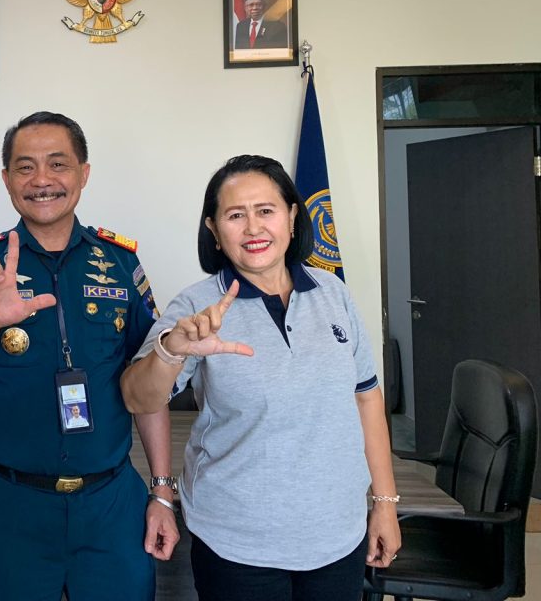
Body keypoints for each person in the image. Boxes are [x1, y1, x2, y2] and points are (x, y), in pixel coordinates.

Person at [0, 111, 180, 601]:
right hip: (9, 504)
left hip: (110, 502)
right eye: (25, 167)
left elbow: (148, 385)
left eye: (58, 164)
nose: (42, 180)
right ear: (6, 179)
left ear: (83, 173)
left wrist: (161, 489)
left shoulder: (120, 262)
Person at [120, 154, 401, 601]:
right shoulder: (196, 306)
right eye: (235, 215)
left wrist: (384, 503)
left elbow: (366, 397)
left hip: (337, 534)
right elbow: (138, 398)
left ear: (291, 216)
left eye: (265, 210)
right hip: (236, 542)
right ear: (214, 230)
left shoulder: (333, 293)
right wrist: (172, 349)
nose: (253, 228)